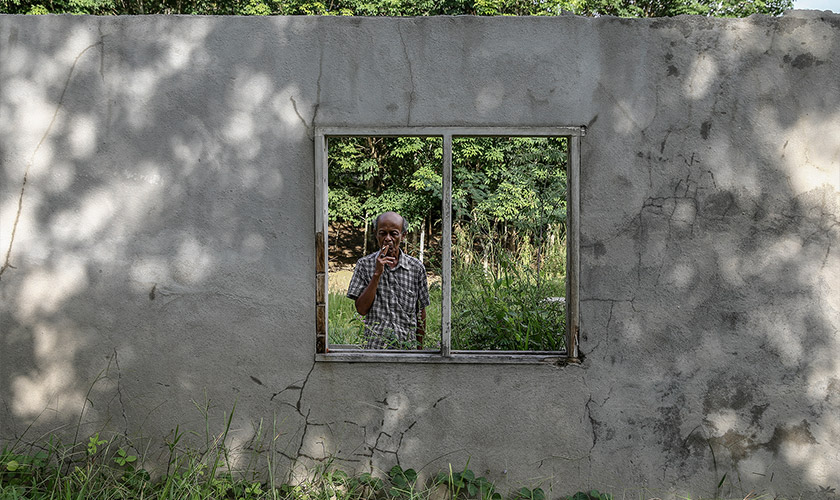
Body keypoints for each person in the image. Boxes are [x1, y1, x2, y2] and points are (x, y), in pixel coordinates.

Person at [346, 211, 430, 349]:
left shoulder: (416, 268)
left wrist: (419, 351)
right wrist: (377, 273)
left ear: (403, 236)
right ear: (376, 234)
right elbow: (361, 309)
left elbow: (421, 313)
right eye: (383, 233)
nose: (388, 239)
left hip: (406, 349)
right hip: (375, 349)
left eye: (394, 233)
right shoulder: (364, 265)